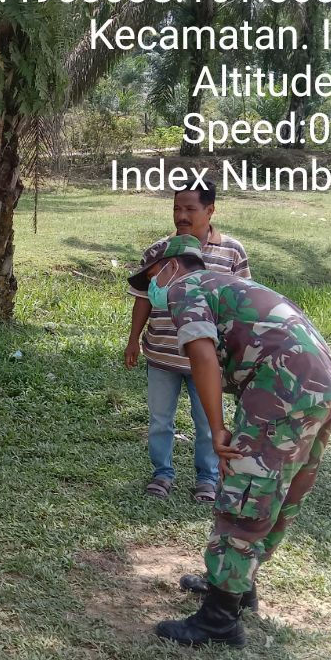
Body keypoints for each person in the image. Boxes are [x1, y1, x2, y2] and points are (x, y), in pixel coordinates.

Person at [127, 235, 331, 648]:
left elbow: (202, 356)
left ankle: (219, 620)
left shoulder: (184, 288)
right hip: (321, 387)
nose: (150, 287)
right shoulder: (225, 285)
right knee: (279, 494)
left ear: (171, 266)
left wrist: (217, 427)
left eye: (151, 276)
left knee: (245, 495)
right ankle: (238, 586)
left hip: (281, 387)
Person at [126, 182, 250, 504]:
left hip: (208, 362)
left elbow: (240, 303)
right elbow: (142, 299)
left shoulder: (231, 252)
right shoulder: (159, 251)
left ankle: (207, 479)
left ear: (210, 210)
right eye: (176, 209)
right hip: (162, 354)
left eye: (190, 209)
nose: (181, 216)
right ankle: (162, 474)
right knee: (159, 420)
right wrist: (133, 341)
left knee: (209, 422)